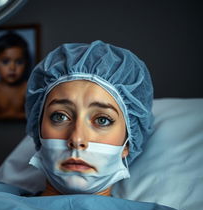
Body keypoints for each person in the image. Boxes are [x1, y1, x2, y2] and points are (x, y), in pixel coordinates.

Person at [25, 40, 154, 196]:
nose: (77, 139)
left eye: (102, 120)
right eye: (59, 116)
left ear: (126, 144)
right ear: (38, 129)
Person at [0, 32, 30, 119]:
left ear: (26, 64)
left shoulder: (27, 88)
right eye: (5, 61)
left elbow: (32, 116)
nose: (12, 68)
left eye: (19, 62)